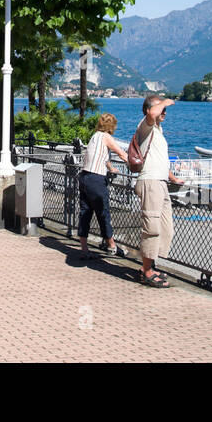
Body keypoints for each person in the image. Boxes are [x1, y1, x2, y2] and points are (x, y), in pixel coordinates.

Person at [132, 95, 183, 288]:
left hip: (160, 182)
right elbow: (152, 111)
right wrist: (165, 101)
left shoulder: (158, 131)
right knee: (151, 227)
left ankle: (151, 264)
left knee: (165, 228)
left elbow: (160, 159)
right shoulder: (145, 126)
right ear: (149, 111)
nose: (165, 112)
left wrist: (173, 179)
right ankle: (146, 272)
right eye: (161, 109)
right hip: (150, 182)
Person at [77, 113, 128, 259]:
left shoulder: (95, 136)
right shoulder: (106, 137)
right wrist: (136, 165)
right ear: (111, 126)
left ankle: (84, 249)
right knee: (103, 212)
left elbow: (100, 156)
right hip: (96, 179)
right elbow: (122, 154)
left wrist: (110, 167)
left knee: (85, 212)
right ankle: (112, 246)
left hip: (84, 176)